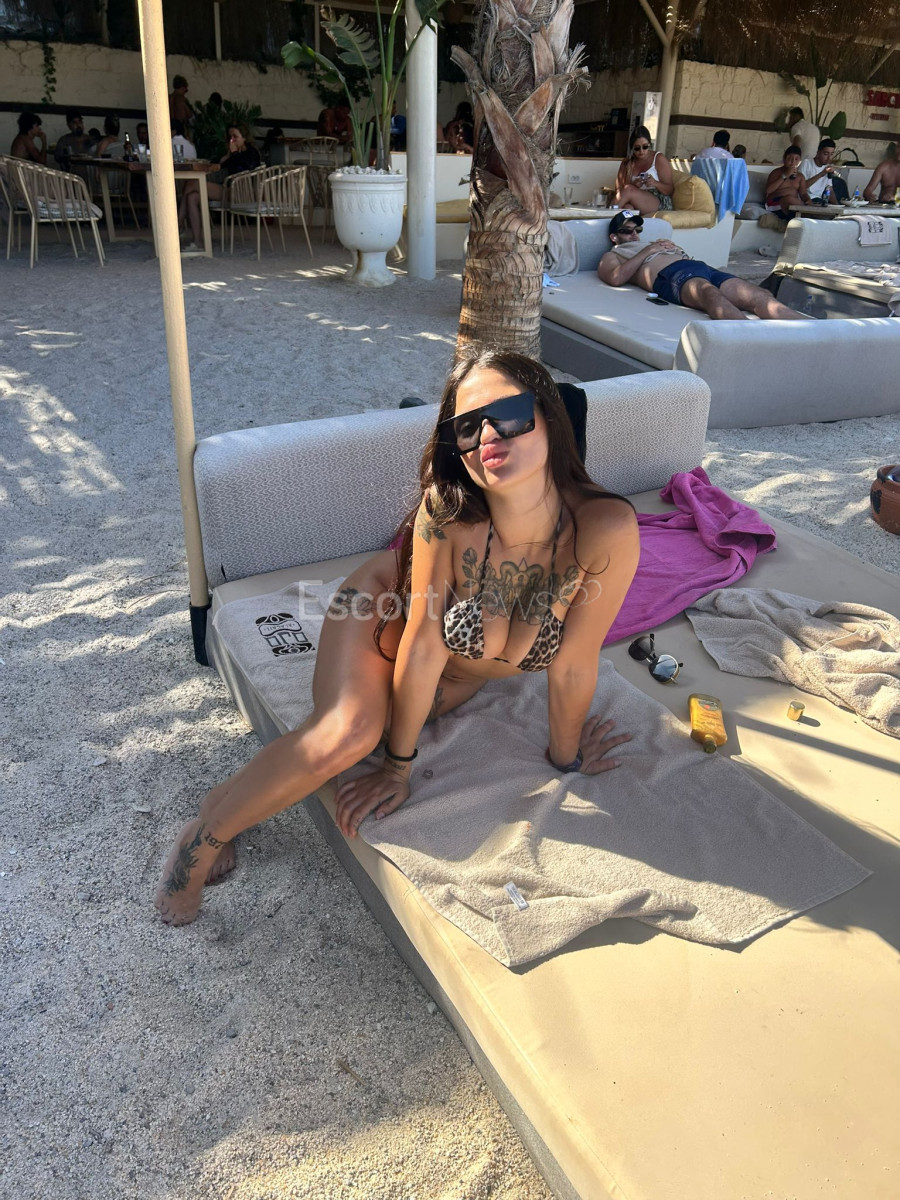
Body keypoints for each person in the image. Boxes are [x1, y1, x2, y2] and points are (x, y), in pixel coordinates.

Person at [154, 348, 640, 925]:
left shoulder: (604, 528)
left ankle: (218, 805)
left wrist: (566, 758)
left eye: (508, 414)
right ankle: (199, 844)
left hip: (456, 673)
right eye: (466, 427)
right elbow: (423, 644)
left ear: (550, 417)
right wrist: (396, 768)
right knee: (349, 732)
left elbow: (575, 663)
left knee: (366, 729)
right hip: (380, 610)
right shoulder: (450, 514)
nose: (487, 434)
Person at [597, 210, 807, 320]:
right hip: (672, 275)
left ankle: (815, 333)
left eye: (637, 230)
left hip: (699, 267)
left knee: (761, 296)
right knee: (710, 294)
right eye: (627, 231)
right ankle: (754, 341)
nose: (634, 234)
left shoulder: (651, 243)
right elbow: (615, 278)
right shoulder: (613, 254)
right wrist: (649, 251)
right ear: (614, 237)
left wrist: (674, 248)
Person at [178, 122, 260, 250]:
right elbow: (219, 165)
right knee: (192, 197)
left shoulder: (251, 152)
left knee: (191, 183)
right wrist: (227, 156)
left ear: (244, 137)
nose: (232, 140)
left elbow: (247, 167)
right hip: (227, 189)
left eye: (235, 136)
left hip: (241, 192)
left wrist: (234, 154)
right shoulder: (233, 153)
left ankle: (178, 224)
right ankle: (197, 241)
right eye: (230, 137)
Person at [614, 125, 674, 215]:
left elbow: (670, 190)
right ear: (632, 148)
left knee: (629, 189)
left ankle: (604, 216)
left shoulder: (658, 158)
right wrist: (634, 184)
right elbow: (618, 190)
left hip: (658, 200)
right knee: (628, 208)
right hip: (635, 199)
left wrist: (655, 183)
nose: (641, 151)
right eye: (637, 148)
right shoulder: (627, 162)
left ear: (649, 144)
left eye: (645, 147)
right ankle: (628, 224)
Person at [764, 146, 809, 220]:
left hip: (791, 206)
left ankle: (805, 214)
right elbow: (768, 191)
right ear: (784, 159)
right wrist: (784, 175)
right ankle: (806, 211)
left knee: (806, 203)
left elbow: (803, 193)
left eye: (796, 159)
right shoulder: (776, 172)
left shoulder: (800, 176)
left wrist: (807, 200)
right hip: (774, 204)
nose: (793, 162)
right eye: (789, 158)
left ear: (800, 161)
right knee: (789, 199)